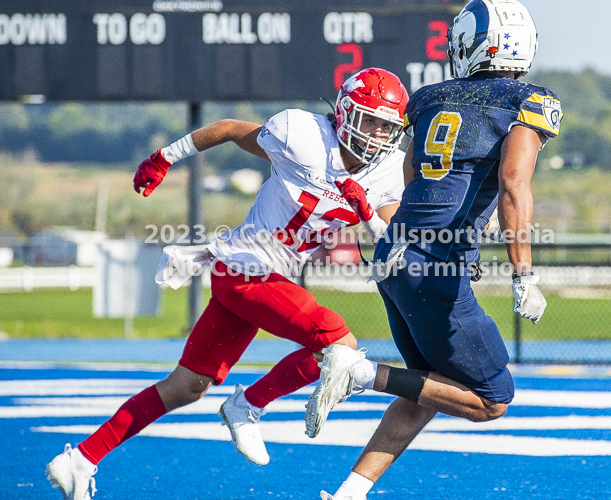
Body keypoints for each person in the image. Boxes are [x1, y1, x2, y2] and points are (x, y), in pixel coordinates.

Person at [45, 67, 409, 500]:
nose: (376, 133)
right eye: (370, 120)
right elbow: (231, 129)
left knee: (187, 386)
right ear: (346, 111)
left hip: (270, 280)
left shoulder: (386, 171)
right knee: (339, 345)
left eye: (386, 125)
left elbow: (389, 247)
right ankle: (248, 405)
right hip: (245, 268)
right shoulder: (304, 134)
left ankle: (81, 459)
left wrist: (366, 210)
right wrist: (165, 156)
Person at [304, 1, 563, 498]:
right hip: (434, 265)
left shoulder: (427, 98)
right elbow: (514, 185)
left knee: (429, 385)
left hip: (395, 255)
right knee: (492, 399)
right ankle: (359, 371)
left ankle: (352, 491)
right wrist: (523, 273)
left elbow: (411, 181)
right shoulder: (529, 100)